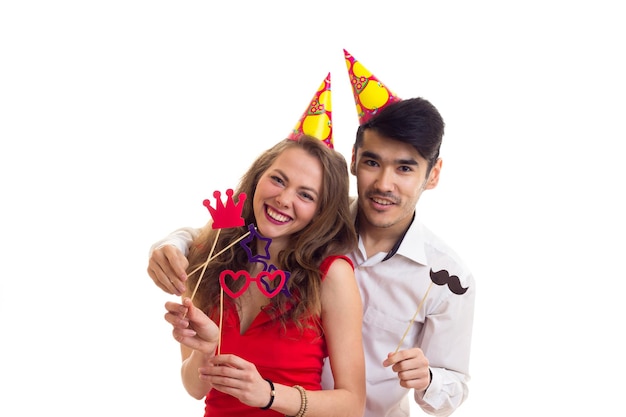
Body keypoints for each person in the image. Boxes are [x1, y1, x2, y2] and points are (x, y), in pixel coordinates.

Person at [149, 53, 475, 417]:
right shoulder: (296, 229)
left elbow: (452, 389)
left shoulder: (446, 279)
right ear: (354, 159)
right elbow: (215, 238)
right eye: (372, 162)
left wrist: (428, 377)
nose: (384, 183)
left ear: (432, 175)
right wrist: (172, 244)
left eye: (404, 168)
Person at [158, 134, 366, 417]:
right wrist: (205, 349)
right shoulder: (208, 260)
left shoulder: (331, 275)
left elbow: (352, 406)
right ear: (257, 178)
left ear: (321, 212)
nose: (283, 199)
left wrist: (268, 394)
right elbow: (195, 389)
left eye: (305, 195)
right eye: (278, 180)